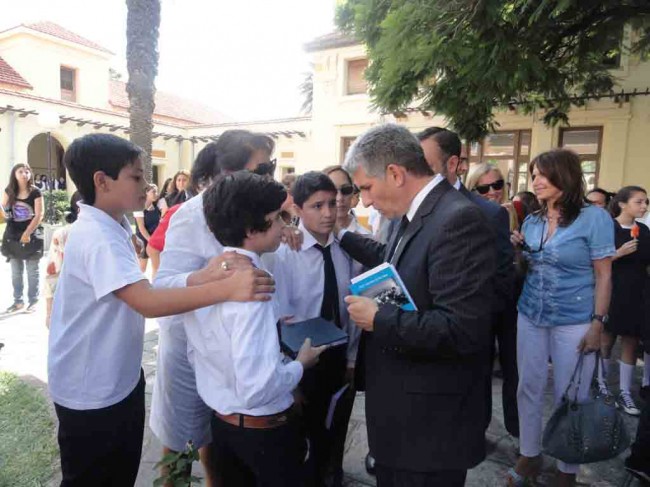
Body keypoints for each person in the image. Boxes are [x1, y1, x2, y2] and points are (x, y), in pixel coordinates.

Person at [47, 133, 273, 487]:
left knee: (118, 471)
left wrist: (202, 277)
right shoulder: (98, 237)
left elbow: (148, 289)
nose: (147, 183)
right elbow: (148, 302)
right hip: (90, 387)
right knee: (93, 476)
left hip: (115, 378)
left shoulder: (113, 226)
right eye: (136, 177)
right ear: (101, 182)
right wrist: (226, 287)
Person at [340, 124, 496, 486]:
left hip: (430, 429)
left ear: (395, 174)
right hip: (404, 418)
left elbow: (462, 330)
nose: (364, 201)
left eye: (366, 187)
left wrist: (379, 318)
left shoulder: (458, 220)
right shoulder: (410, 214)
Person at [151, 130, 299, 486]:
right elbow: (162, 287)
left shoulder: (263, 211)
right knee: (183, 445)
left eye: (273, 166)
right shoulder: (190, 215)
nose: (270, 175)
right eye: (263, 167)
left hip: (248, 355)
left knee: (221, 445)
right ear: (228, 170)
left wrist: (285, 227)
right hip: (195, 353)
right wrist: (214, 279)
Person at [508, 149, 614, 487]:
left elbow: (604, 275)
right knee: (528, 387)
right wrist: (518, 250)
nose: (535, 181)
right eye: (533, 174)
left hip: (575, 318)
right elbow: (529, 268)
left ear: (564, 176)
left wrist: (598, 322)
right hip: (531, 314)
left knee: (575, 396)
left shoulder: (594, 218)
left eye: (542, 174)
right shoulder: (533, 219)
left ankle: (567, 470)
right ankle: (529, 455)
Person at [418, 126, 519, 442]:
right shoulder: (411, 209)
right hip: (426, 327)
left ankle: (477, 434)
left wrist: (476, 316)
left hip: (473, 325)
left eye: (425, 165)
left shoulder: (487, 212)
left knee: (474, 385)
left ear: (453, 165)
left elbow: (503, 273)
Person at [274, 171, 360, 487]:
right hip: (301, 360)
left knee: (333, 427)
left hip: (337, 355)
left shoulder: (346, 248)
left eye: (331, 204)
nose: (327, 213)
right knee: (301, 436)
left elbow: (351, 308)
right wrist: (290, 377)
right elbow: (278, 320)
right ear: (297, 209)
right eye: (316, 206)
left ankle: (330, 472)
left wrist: (351, 358)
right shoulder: (285, 253)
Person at [599, 186, 650, 416]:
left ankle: (624, 391)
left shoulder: (645, 230)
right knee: (606, 340)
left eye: (646, 202)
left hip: (638, 293)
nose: (644, 206)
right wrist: (618, 253)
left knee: (630, 340)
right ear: (622, 204)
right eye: (639, 202)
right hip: (613, 291)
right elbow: (597, 261)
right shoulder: (608, 227)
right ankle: (601, 385)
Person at [1, 163, 44, 313]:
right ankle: (17, 301)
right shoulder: (9, 191)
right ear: (14, 174)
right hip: (13, 234)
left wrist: (27, 233)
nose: (25, 174)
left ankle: (33, 301)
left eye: (27, 171)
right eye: (21, 171)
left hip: (32, 233)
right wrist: (3, 213)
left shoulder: (36, 192)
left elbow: (39, 215)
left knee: (33, 270)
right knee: (16, 271)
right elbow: (3, 212)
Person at [44, 191, 82, 328]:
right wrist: (49, 313)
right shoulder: (63, 235)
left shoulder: (112, 234)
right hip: (71, 306)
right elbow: (52, 276)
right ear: (80, 209)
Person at [466, 162, 519, 231]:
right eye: (483, 188)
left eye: (497, 185)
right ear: (472, 191)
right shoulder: (465, 218)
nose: (492, 192)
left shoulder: (511, 212)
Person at [133, 183, 162, 273]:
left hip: (154, 239)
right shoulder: (139, 208)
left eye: (157, 192)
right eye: (153, 192)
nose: (156, 194)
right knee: (142, 268)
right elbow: (141, 228)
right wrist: (151, 240)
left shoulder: (156, 207)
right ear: (146, 193)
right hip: (143, 240)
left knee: (156, 267)